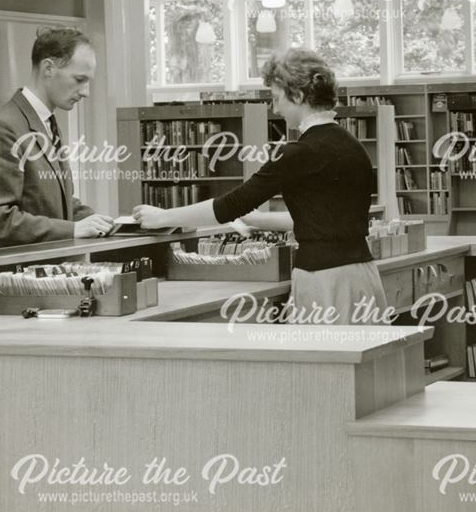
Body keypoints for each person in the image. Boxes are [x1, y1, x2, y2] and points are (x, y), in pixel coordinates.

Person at [134, 48, 387, 325]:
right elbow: (321, 219)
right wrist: (254, 219)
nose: (275, 109)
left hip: (324, 279)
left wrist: (163, 217)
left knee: (323, 366)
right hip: (363, 276)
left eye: (277, 99)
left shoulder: (300, 152)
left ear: (299, 96)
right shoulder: (353, 146)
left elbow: (230, 205)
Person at [0, 27, 113, 247]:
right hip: (18, 275)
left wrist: (108, 224)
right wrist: (74, 229)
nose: (85, 91)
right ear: (48, 68)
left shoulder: (46, 122)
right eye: (79, 79)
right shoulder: (2, 127)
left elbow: (58, 204)